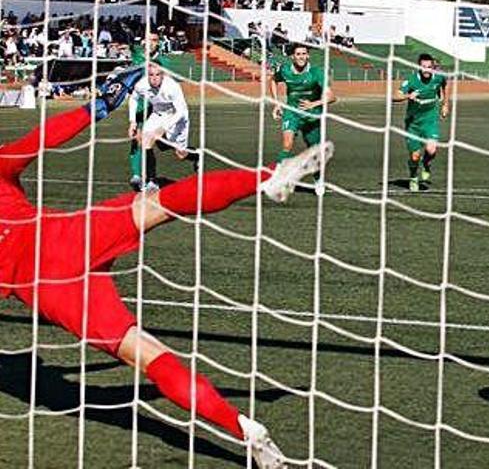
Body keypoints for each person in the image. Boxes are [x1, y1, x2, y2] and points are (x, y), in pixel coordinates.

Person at [0, 67, 334, 468]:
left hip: (50, 290)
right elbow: (41, 139)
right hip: (67, 236)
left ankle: (245, 429)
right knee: (162, 204)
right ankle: (267, 178)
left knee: (150, 356)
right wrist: (99, 106)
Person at [127, 63, 198, 191]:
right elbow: (134, 98)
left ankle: (197, 156)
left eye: (157, 74)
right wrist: (132, 121)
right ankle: (152, 182)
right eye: (151, 75)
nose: (154, 78)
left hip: (176, 116)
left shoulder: (172, 87)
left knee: (180, 153)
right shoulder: (141, 85)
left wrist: (163, 128)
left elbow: (181, 111)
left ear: (163, 75)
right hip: (157, 114)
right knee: (145, 141)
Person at [270, 42, 336, 173]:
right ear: (292, 57)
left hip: (312, 116)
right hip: (292, 112)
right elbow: (273, 80)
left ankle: (318, 181)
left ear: (308, 56)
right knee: (287, 144)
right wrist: (276, 103)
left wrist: (314, 104)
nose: (301, 57)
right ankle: (277, 177)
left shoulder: (316, 72)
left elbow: (332, 97)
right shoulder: (284, 70)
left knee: (314, 151)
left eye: (304, 54)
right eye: (298, 54)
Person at [393, 53, 449, 192]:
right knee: (414, 156)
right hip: (413, 124)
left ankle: (426, 163)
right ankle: (413, 177)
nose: (426, 70)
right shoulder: (411, 81)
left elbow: (444, 86)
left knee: (431, 149)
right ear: (419, 67)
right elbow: (395, 96)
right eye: (423, 67)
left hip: (430, 121)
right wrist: (408, 96)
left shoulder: (439, 77)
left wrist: (445, 104)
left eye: (429, 67)